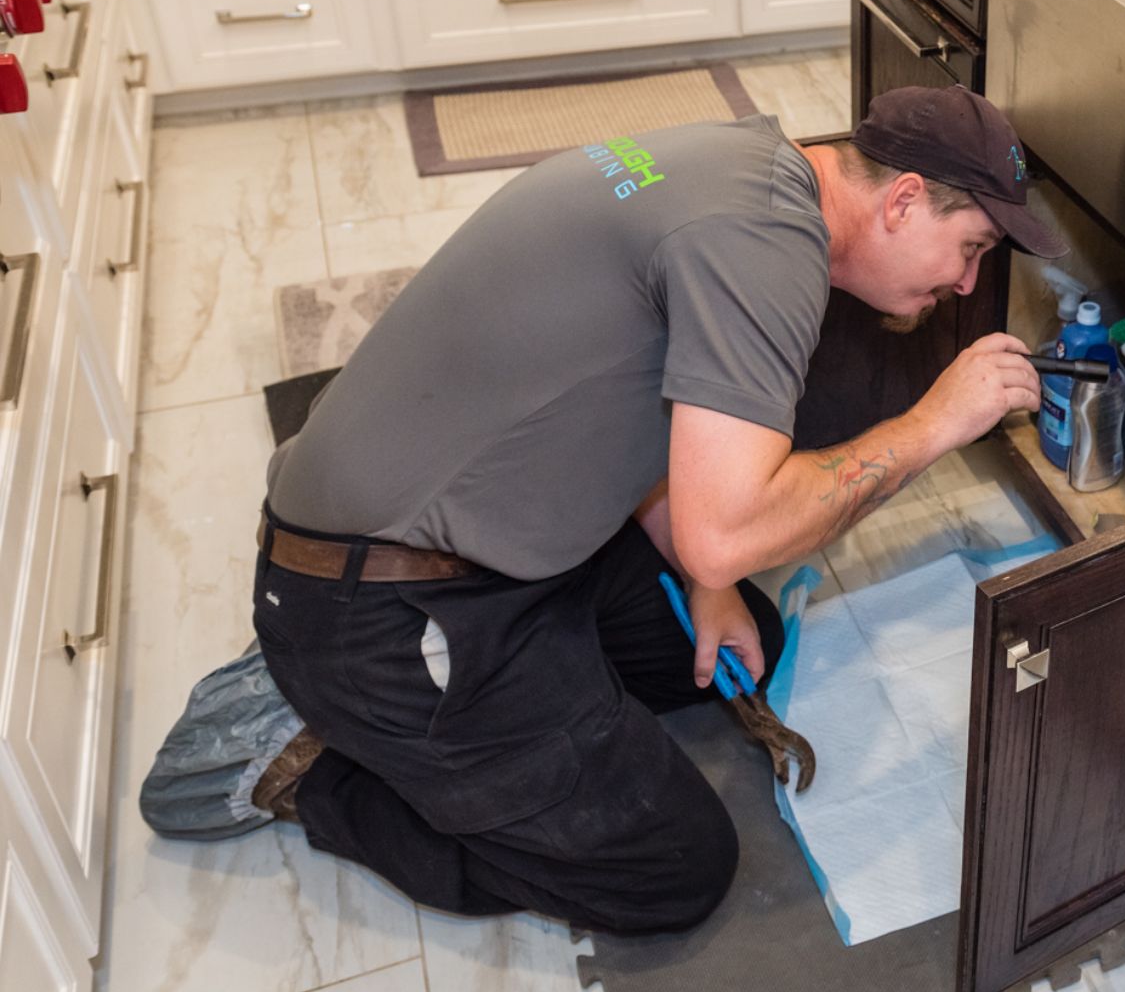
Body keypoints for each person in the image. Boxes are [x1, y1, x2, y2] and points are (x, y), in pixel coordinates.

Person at [141, 84, 1066, 935]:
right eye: (973, 248)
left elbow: (642, 404)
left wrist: (707, 585)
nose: (966, 285)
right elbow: (728, 530)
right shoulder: (763, 248)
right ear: (902, 201)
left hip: (480, 536)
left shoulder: (749, 163)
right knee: (670, 871)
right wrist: (933, 425)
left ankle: (447, 711)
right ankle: (314, 759)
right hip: (382, 602)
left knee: (722, 647)